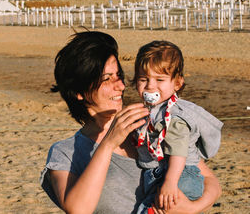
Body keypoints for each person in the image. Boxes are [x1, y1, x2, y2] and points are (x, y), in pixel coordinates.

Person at [40, 31, 221, 214]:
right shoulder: (65, 153)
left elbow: (210, 180)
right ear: (79, 91)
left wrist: (191, 208)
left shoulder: (148, 126)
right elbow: (78, 209)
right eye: (106, 78)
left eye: (118, 75)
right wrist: (109, 143)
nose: (121, 86)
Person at [133, 40, 223, 213]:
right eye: (143, 79)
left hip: (180, 175)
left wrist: (170, 182)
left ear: (177, 83)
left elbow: (178, 152)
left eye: (160, 79)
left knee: (149, 209)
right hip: (166, 174)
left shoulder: (175, 117)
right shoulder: (152, 110)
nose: (150, 86)